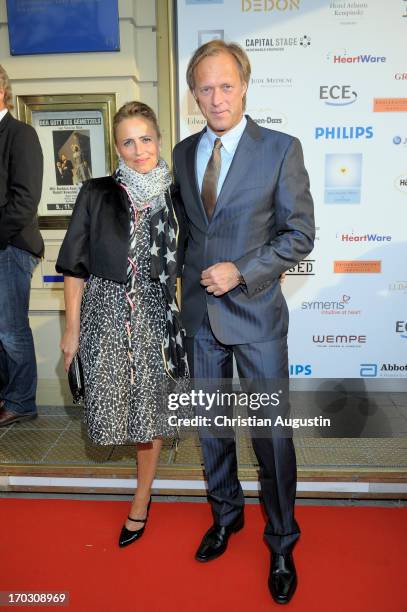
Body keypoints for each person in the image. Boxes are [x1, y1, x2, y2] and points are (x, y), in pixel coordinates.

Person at [173, 40, 315, 604]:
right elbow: (185, 235)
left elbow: (299, 235)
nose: (216, 97)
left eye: (225, 85)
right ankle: (226, 514)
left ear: (245, 84)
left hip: (255, 315)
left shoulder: (280, 149)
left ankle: (281, 540)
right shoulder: (184, 155)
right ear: (194, 94)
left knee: (272, 437)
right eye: (204, 88)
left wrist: (244, 270)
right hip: (198, 316)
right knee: (211, 430)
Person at [56, 101, 188, 548]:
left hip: (156, 314)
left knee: (149, 413)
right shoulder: (96, 192)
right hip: (104, 312)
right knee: (114, 407)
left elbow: (192, 262)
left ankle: (142, 496)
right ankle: (141, 488)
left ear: (159, 139)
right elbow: (74, 266)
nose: (138, 150)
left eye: (145, 139)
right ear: (116, 147)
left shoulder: (178, 196)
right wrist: (71, 330)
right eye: (128, 142)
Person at [0, 64, 44, 427]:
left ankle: (21, 401)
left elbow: (24, 203)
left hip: (11, 247)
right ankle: (7, 396)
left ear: (2, 90)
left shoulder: (20, 134)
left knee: (10, 330)